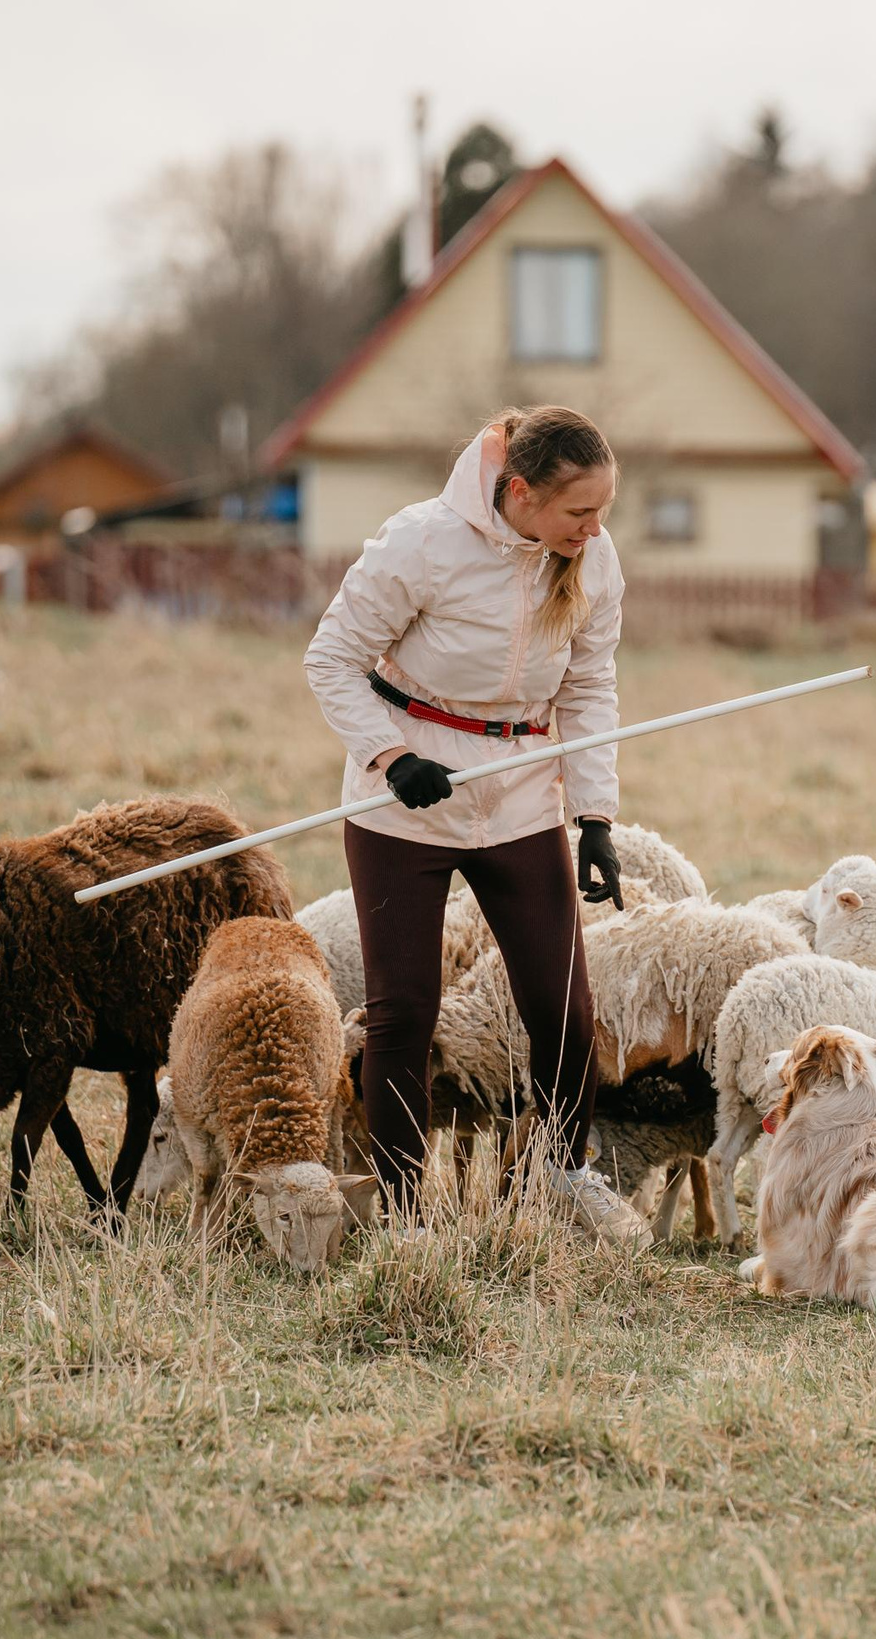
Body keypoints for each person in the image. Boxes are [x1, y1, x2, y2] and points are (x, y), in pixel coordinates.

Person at [303, 405, 629, 1216]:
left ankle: (559, 1175)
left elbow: (588, 690)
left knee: (564, 1009)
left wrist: (593, 816)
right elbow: (333, 659)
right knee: (403, 1011)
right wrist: (391, 756)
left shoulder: (593, 562)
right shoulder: (421, 543)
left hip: (521, 791)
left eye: (603, 512)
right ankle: (404, 1208)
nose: (594, 529)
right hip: (405, 801)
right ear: (520, 492)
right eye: (578, 512)